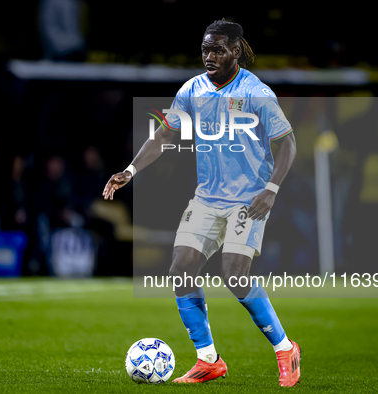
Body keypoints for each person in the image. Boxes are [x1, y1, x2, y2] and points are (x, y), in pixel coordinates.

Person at [103, 20, 300, 387]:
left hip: (249, 199)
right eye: (205, 49)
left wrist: (270, 189)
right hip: (207, 198)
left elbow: (288, 144)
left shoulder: (257, 93)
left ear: (236, 51)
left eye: (218, 49)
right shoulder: (191, 90)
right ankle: (208, 359)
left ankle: (285, 348)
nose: (209, 56)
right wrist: (129, 171)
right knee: (181, 269)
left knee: (235, 275)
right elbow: (164, 135)